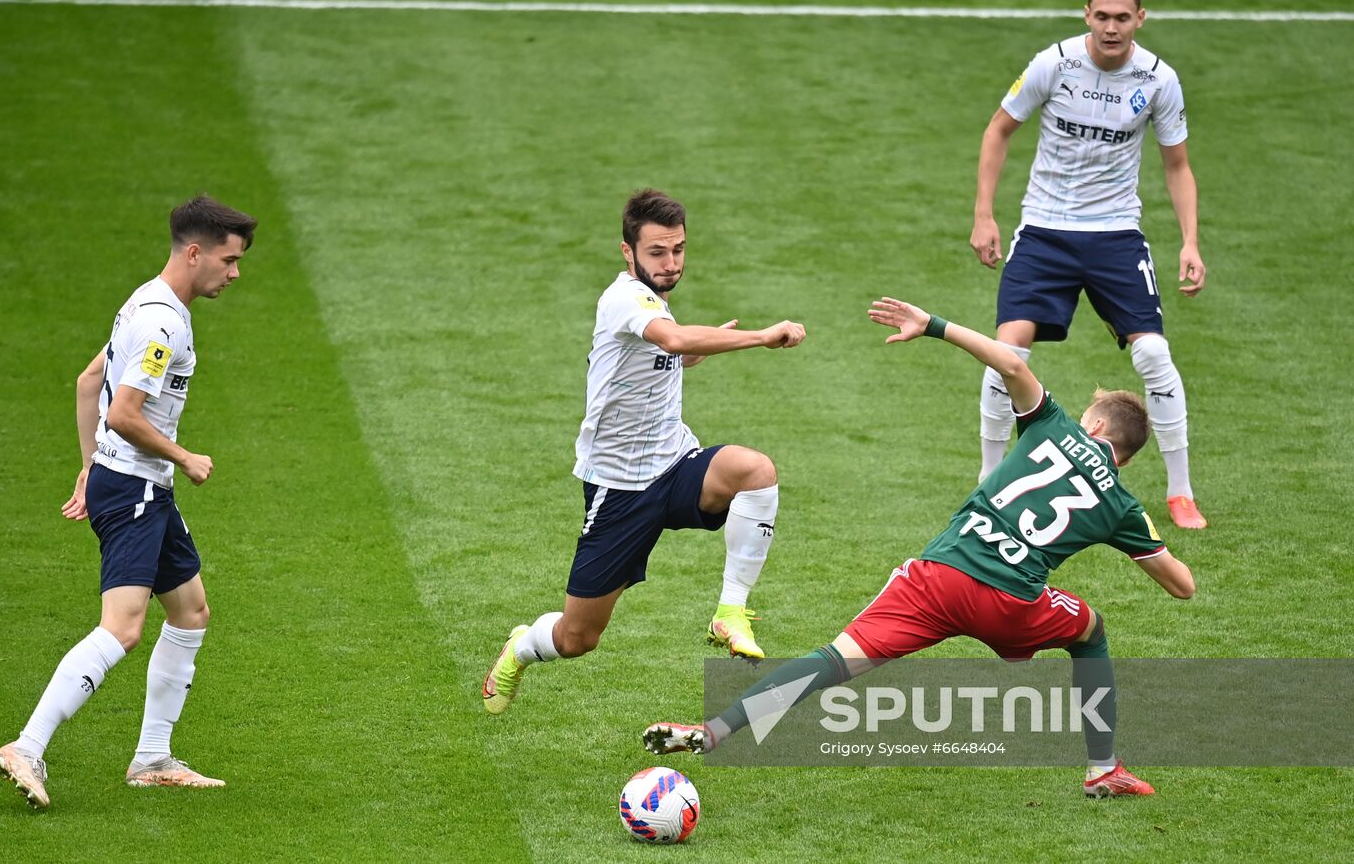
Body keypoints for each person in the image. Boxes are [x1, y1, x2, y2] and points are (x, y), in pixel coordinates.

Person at [643, 296, 1195, 798]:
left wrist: (932, 324)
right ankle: (1103, 769)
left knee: (833, 661)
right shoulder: (1123, 504)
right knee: (1090, 630)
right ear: (1122, 454)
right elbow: (1182, 587)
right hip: (1011, 602)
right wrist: (1134, 529)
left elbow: (1012, 365)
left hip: (937, 576)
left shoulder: (1053, 425)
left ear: (1093, 423)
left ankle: (716, 729)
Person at [482, 189, 807, 715]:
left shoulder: (654, 301)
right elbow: (672, 342)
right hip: (619, 490)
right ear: (627, 252)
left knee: (756, 471)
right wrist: (760, 337)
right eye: (657, 252)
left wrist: (691, 349)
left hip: (675, 463)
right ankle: (521, 646)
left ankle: (730, 609)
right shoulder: (624, 298)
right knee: (577, 639)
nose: (671, 263)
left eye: (678, 250)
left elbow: (667, 354)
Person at [0, 196, 257, 809]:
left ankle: (152, 758)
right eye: (229, 259)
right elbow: (123, 411)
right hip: (136, 486)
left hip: (133, 482)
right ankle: (27, 746)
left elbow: (90, 381)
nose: (235, 273)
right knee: (125, 628)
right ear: (196, 252)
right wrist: (184, 456)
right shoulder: (163, 322)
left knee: (190, 612)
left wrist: (89, 465)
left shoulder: (144, 300)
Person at [969, 0, 1209, 529]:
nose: (1110, 27)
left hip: (1116, 235)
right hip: (1045, 231)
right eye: (1101, 16)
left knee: (1153, 355)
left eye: (1122, 17)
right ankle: (987, 480)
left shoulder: (1158, 79)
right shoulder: (1052, 63)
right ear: (1087, 16)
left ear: (1140, 19)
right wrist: (984, 215)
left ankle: (1180, 492)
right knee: (1008, 353)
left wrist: (1190, 241)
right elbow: (997, 130)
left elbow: (1178, 165)